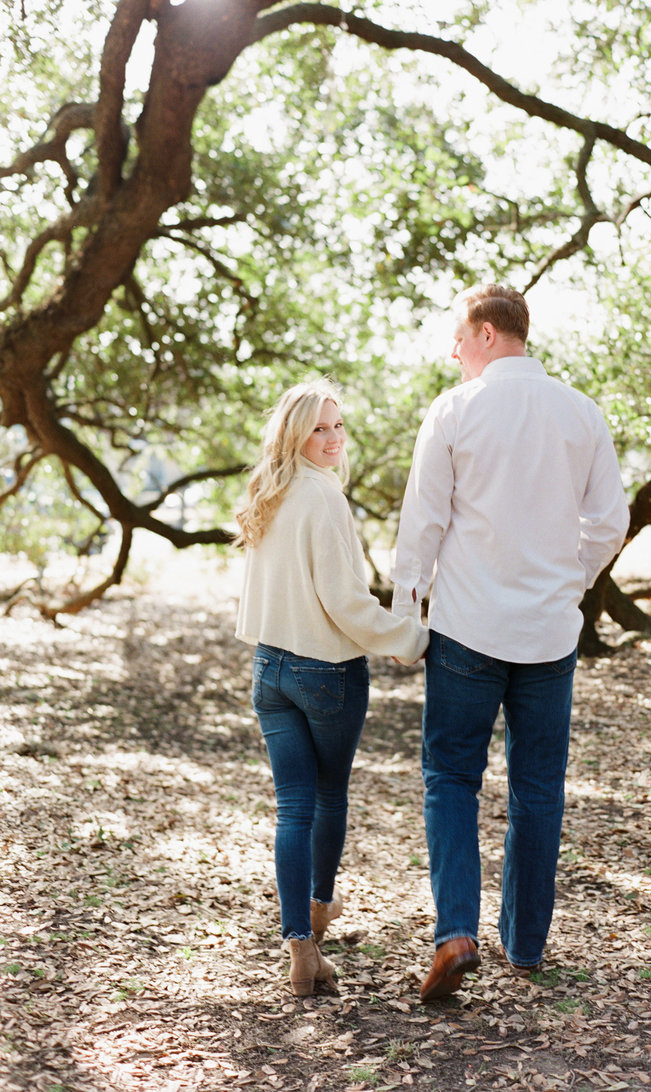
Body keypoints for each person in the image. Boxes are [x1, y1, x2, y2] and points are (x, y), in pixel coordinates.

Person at [391, 284, 629, 1002]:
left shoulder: (456, 411)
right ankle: (525, 945)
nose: (453, 350)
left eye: (459, 336)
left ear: (489, 333)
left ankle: (457, 933)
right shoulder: (581, 414)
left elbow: (423, 523)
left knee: (451, 778)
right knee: (537, 788)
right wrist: (571, 585)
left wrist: (408, 609)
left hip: (467, 629)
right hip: (550, 635)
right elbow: (609, 523)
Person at [234, 378, 429, 997]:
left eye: (338, 425)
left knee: (292, 808)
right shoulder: (321, 498)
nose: (333, 437)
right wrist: (409, 638)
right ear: (295, 434)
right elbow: (345, 601)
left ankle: (301, 948)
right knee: (325, 799)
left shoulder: (271, 490)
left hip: (270, 669)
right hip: (324, 672)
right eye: (319, 428)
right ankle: (315, 916)